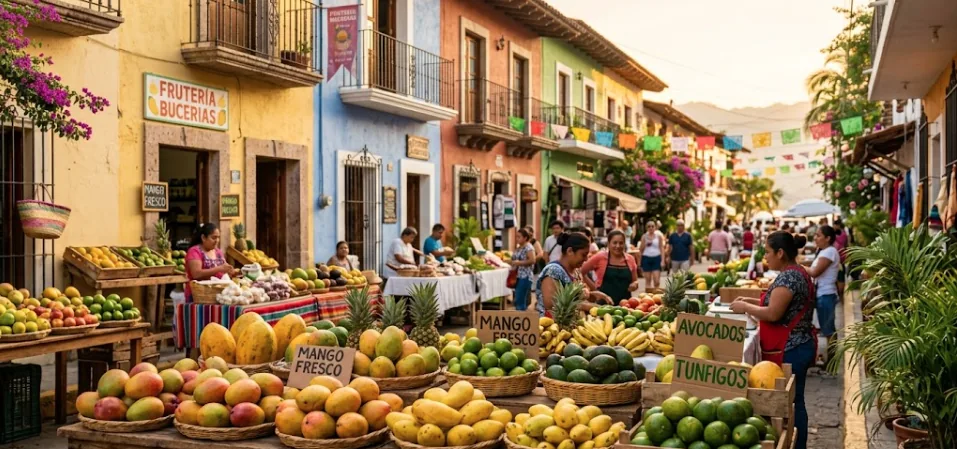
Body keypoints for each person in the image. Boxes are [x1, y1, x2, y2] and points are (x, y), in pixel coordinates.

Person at [730, 232, 815, 449]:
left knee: (794, 402)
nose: (765, 257)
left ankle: (797, 444)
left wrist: (746, 308)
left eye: (768, 252)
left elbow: (773, 313)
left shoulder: (789, 277)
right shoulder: (794, 272)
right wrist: (749, 300)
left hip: (791, 348)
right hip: (798, 344)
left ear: (780, 252)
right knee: (795, 400)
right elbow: (775, 302)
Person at [536, 232, 596, 317]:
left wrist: (593, 294)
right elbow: (551, 305)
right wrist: (586, 306)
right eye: (583, 255)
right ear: (570, 251)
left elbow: (578, 295)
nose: (586, 259)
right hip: (550, 326)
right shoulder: (553, 271)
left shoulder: (576, 271)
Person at [580, 230, 639, 305]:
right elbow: (581, 272)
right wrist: (594, 288)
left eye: (621, 243)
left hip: (625, 304)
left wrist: (634, 285)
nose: (618, 246)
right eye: (614, 243)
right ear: (608, 244)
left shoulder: (630, 259)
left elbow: (635, 281)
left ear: (624, 244)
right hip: (603, 304)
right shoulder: (600, 257)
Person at [185, 223, 238, 302]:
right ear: (203, 238)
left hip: (219, 295)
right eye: (213, 238)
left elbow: (224, 268)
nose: (217, 241)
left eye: (218, 238)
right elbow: (196, 274)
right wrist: (219, 268)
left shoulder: (218, 252)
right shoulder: (194, 251)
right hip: (199, 296)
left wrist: (231, 271)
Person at [807, 225, 840, 351]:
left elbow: (815, 272)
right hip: (822, 294)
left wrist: (801, 268)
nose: (816, 238)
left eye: (818, 235)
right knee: (826, 328)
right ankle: (830, 358)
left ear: (827, 238)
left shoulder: (830, 251)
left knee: (828, 329)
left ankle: (832, 361)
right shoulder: (823, 251)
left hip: (826, 294)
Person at [509, 229, 536, 311]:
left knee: (521, 298)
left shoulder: (529, 247)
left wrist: (519, 263)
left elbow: (532, 260)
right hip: (517, 276)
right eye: (516, 237)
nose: (517, 239)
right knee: (517, 297)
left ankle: (521, 316)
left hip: (525, 276)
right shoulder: (519, 247)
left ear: (525, 238)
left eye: (519, 237)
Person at [638, 221, 664, 290]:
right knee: (648, 280)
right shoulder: (644, 237)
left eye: (652, 226)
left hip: (656, 258)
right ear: (647, 228)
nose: (651, 228)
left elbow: (661, 248)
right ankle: (648, 298)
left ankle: (657, 295)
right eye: (649, 226)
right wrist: (639, 262)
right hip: (646, 258)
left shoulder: (658, 236)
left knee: (656, 281)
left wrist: (663, 261)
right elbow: (641, 250)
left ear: (655, 227)